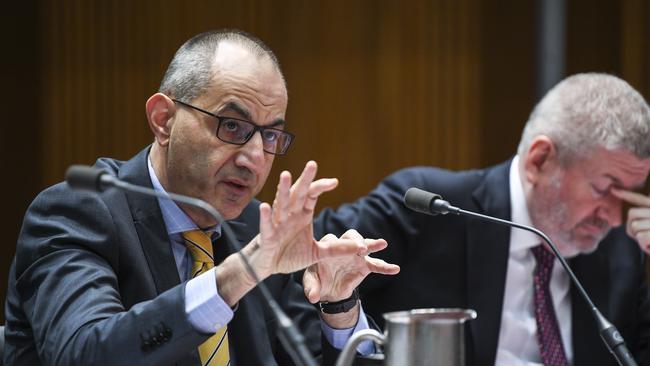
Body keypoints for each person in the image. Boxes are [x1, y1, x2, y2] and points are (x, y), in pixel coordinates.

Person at [3, 30, 399, 365]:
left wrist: (338, 308)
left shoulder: (249, 229)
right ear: (164, 120)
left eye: (270, 135)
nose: (254, 158)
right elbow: (83, 352)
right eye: (231, 125)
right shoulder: (77, 210)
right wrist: (235, 275)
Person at [315, 73, 650, 365]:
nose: (615, 218)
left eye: (629, 196)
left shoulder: (622, 251)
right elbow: (306, 267)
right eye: (605, 189)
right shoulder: (428, 209)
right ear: (540, 160)